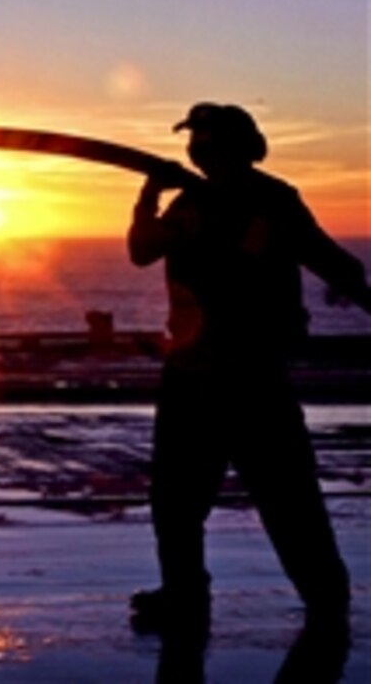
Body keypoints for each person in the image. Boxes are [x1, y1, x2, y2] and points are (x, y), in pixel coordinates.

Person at [126, 102, 371, 637]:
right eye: (194, 139)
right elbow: (143, 250)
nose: (196, 148)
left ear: (227, 144)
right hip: (201, 370)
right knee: (179, 499)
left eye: (204, 138)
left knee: (281, 495)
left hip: (247, 372)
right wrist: (150, 195)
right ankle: (187, 595)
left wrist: (357, 289)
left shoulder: (268, 200)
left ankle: (324, 597)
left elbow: (324, 256)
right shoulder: (194, 202)